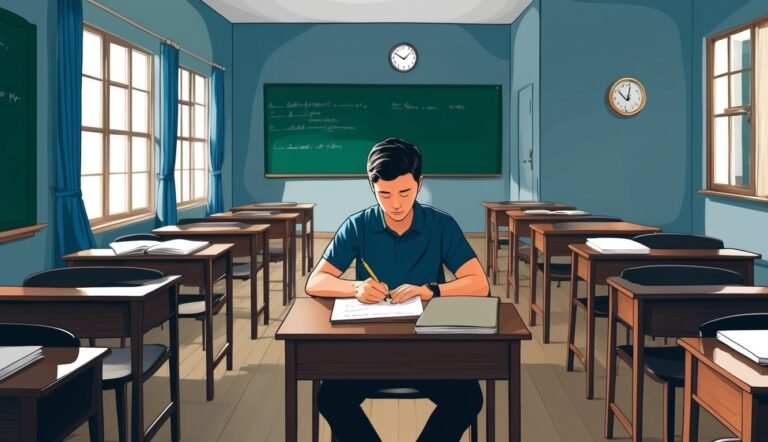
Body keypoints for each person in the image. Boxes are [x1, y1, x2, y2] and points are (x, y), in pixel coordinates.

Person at [305, 137, 490, 442]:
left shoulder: (441, 225)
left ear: (420, 183)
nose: (395, 204)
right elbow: (315, 282)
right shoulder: (357, 225)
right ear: (371, 187)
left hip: (429, 348)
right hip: (367, 351)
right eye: (384, 194)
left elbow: (479, 283)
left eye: (405, 191)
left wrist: (431, 290)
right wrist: (355, 287)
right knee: (331, 398)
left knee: (467, 399)